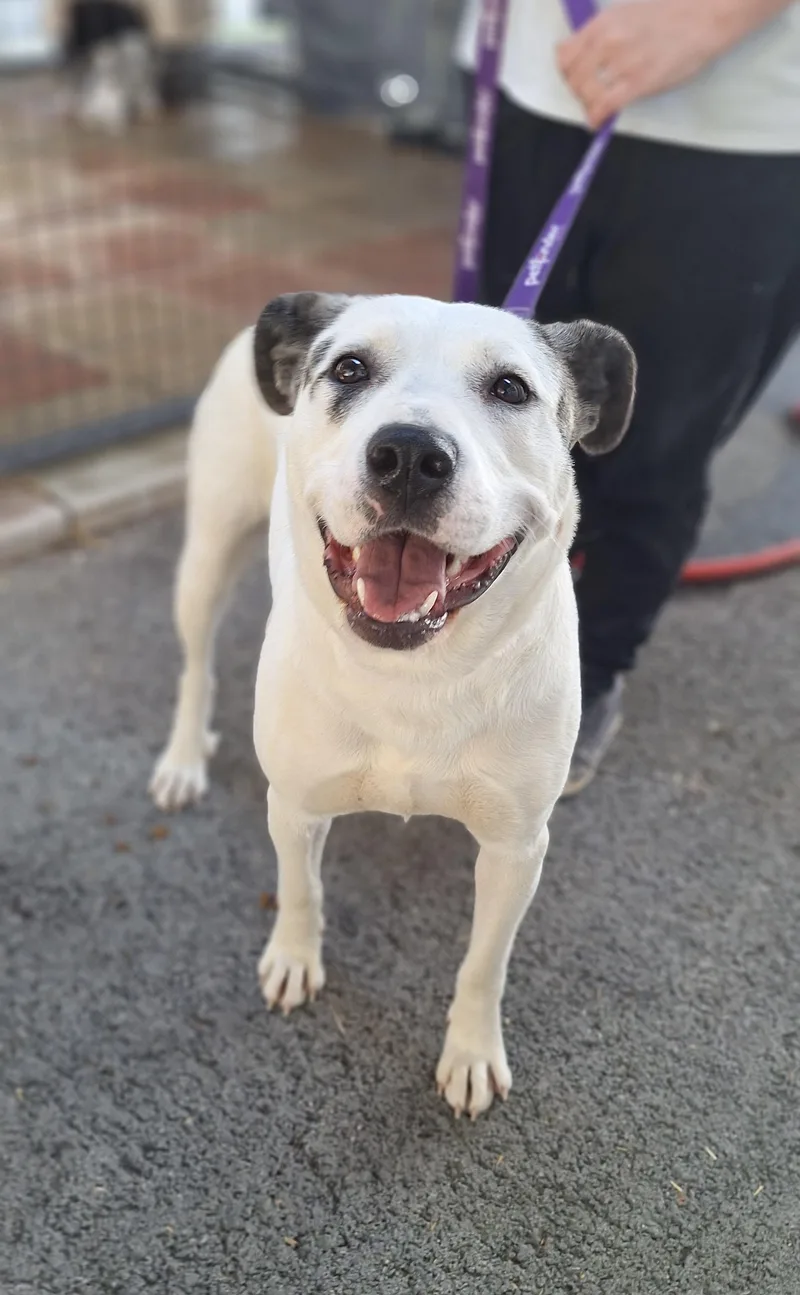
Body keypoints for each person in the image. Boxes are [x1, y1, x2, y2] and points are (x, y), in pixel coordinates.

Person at [455, 0, 800, 794]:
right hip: (531, 82)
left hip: (739, 118)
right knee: (493, 424)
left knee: (653, 445)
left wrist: (714, 18)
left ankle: (585, 671)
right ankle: (473, 642)